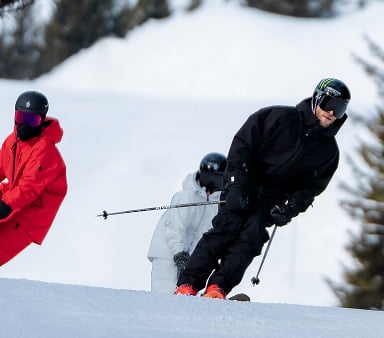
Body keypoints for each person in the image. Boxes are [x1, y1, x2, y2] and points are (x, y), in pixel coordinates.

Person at [175, 77, 349, 299]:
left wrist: (290, 208)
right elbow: (241, 147)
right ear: (316, 99)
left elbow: (310, 188)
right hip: (244, 184)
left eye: (339, 109)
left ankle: (217, 288)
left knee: (252, 236)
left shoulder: (328, 152)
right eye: (328, 104)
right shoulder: (277, 117)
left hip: (271, 200)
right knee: (227, 228)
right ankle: (188, 284)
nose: (332, 113)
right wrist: (236, 184)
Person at [0, 90, 67, 277]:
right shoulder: (13, 140)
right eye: (20, 116)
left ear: (41, 121)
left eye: (32, 121)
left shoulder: (45, 150)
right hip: (13, 207)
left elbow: (27, 189)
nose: (24, 124)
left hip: (30, 216)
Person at [147, 153, 227, 293]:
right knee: (165, 295)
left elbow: (206, 236)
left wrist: (196, 260)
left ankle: (208, 304)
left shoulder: (217, 205)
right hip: (167, 255)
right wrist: (180, 256)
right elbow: (174, 229)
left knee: (184, 296)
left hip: (189, 258)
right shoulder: (186, 196)